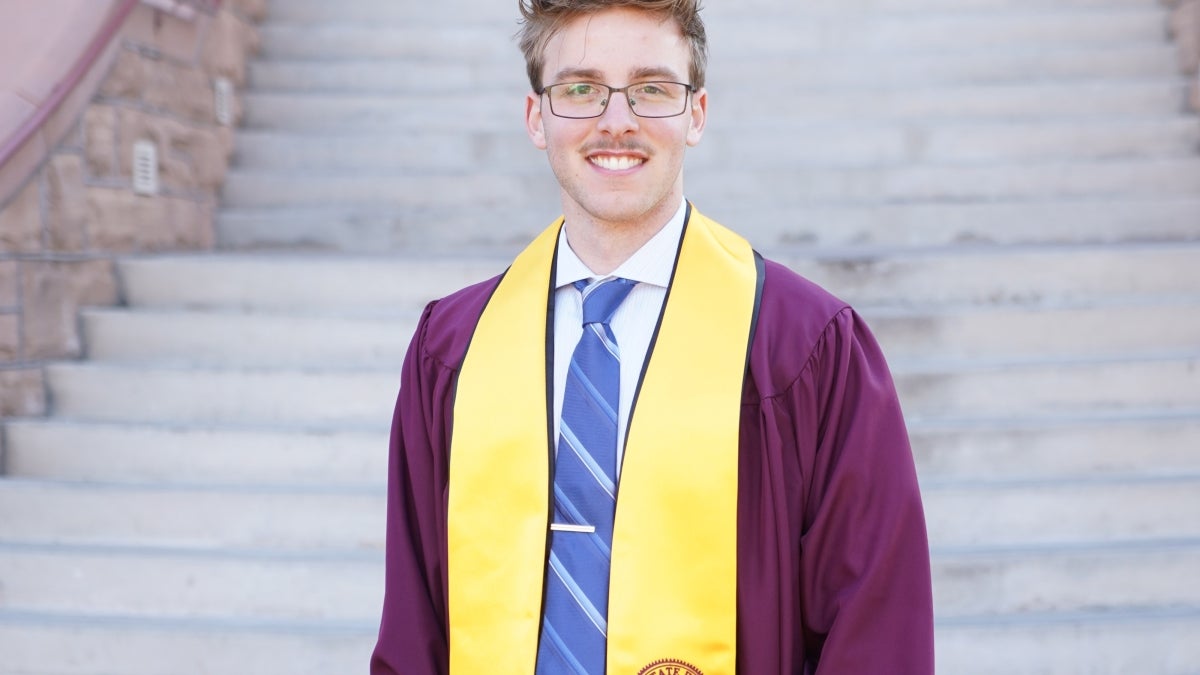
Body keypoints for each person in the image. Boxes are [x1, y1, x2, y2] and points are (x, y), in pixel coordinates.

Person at [370, 0, 934, 672]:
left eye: (652, 89)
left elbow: (874, 631)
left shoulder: (804, 351)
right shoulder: (451, 352)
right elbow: (415, 630)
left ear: (696, 113)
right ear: (535, 117)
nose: (617, 120)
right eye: (580, 89)